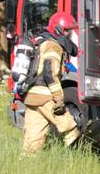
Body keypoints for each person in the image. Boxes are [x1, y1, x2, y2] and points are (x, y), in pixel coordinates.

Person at [22, 11, 81, 155]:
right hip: (46, 97)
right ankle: (79, 160)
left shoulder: (41, 42)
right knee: (70, 130)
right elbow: (50, 74)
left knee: (33, 142)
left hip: (32, 97)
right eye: (67, 30)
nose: (69, 34)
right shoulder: (53, 46)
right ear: (59, 29)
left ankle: (25, 168)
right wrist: (58, 99)